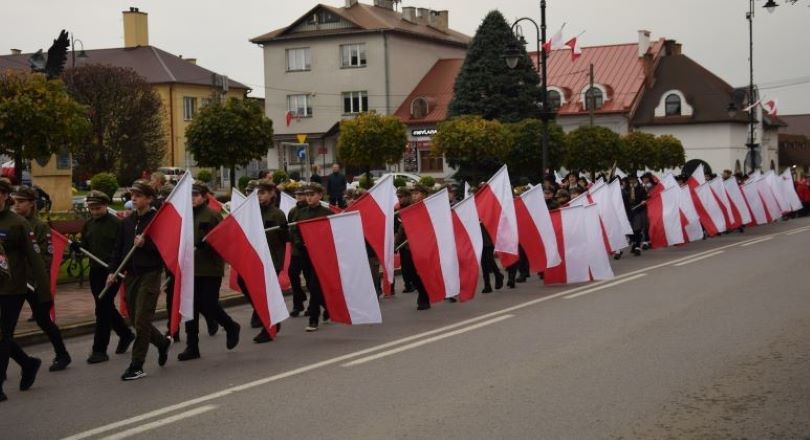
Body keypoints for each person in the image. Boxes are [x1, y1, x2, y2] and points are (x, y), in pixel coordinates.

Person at [107, 180, 171, 381]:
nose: (134, 199)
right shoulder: (127, 222)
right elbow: (119, 247)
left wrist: (147, 244)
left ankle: (137, 365)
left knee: (143, 319)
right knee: (136, 320)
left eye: (139, 195)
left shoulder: (157, 221)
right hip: (130, 275)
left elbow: (164, 249)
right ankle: (161, 343)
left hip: (150, 274)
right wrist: (113, 270)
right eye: (132, 195)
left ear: (149, 198)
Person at [176, 182, 241, 361]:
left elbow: (224, 239)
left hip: (210, 268)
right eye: (190, 195)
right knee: (191, 307)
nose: (192, 199)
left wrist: (209, 244)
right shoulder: (184, 216)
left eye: (196, 195)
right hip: (191, 268)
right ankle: (192, 346)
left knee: (208, 304)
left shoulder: (212, 215)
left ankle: (231, 326)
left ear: (205, 197)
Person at [0, 178, 50, 402]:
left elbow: (35, 257)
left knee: (3, 335)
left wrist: (44, 291)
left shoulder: (18, 223)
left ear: (5, 196)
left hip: (12, 288)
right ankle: (28, 363)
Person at [11, 186, 71, 372]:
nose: (16, 205)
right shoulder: (10, 223)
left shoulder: (38, 226)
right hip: (13, 283)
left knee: (43, 320)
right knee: (6, 326)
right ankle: (19, 362)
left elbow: (45, 257)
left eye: (20, 202)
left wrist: (34, 279)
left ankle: (62, 354)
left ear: (31, 203)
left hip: (33, 282)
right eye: (14, 201)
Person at [77, 191, 134, 364]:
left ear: (105, 206)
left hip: (113, 271)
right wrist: (77, 248)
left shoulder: (117, 224)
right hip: (96, 270)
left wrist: (115, 270)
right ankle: (125, 334)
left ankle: (99, 350)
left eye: (98, 208)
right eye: (91, 208)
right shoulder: (88, 224)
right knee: (104, 305)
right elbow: (85, 245)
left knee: (102, 309)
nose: (94, 212)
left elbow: (123, 248)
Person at [250, 179, 288, 343]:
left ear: (272, 194)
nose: (259, 196)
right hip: (257, 258)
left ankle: (270, 326)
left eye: (263, 192)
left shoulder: (277, 214)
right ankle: (265, 317)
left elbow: (284, 238)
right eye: (257, 193)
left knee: (268, 294)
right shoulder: (252, 212)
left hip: (272, 259)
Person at [295, 183, 333, 331]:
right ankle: (328, 307)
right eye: (307, 195)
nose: (309, 198)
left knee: (314, 286)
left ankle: (313, 318)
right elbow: (295, 230)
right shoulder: (301, 213)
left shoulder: (327, 213)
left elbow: (332, 233)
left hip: (322, 255)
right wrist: (298, 242)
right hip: (305, 254)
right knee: (312, 286)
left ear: (320, 196)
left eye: (312, 195)